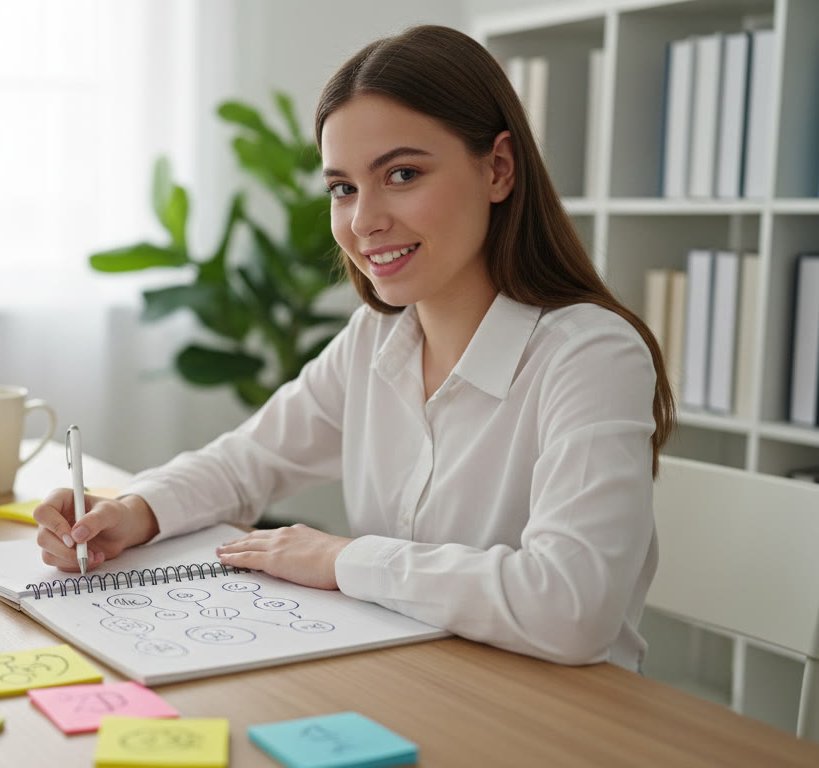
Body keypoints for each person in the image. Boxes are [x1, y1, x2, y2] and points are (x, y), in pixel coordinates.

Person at [33, 24, 674, 672]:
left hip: (562, 721)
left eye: (402, 174)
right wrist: (131, 512)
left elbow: (572, 607)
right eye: (342, 187)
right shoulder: (378, 340)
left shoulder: (591, 355)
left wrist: (341, 559)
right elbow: (244, 464)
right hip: (421, 684)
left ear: (498, 169)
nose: (363, 220)